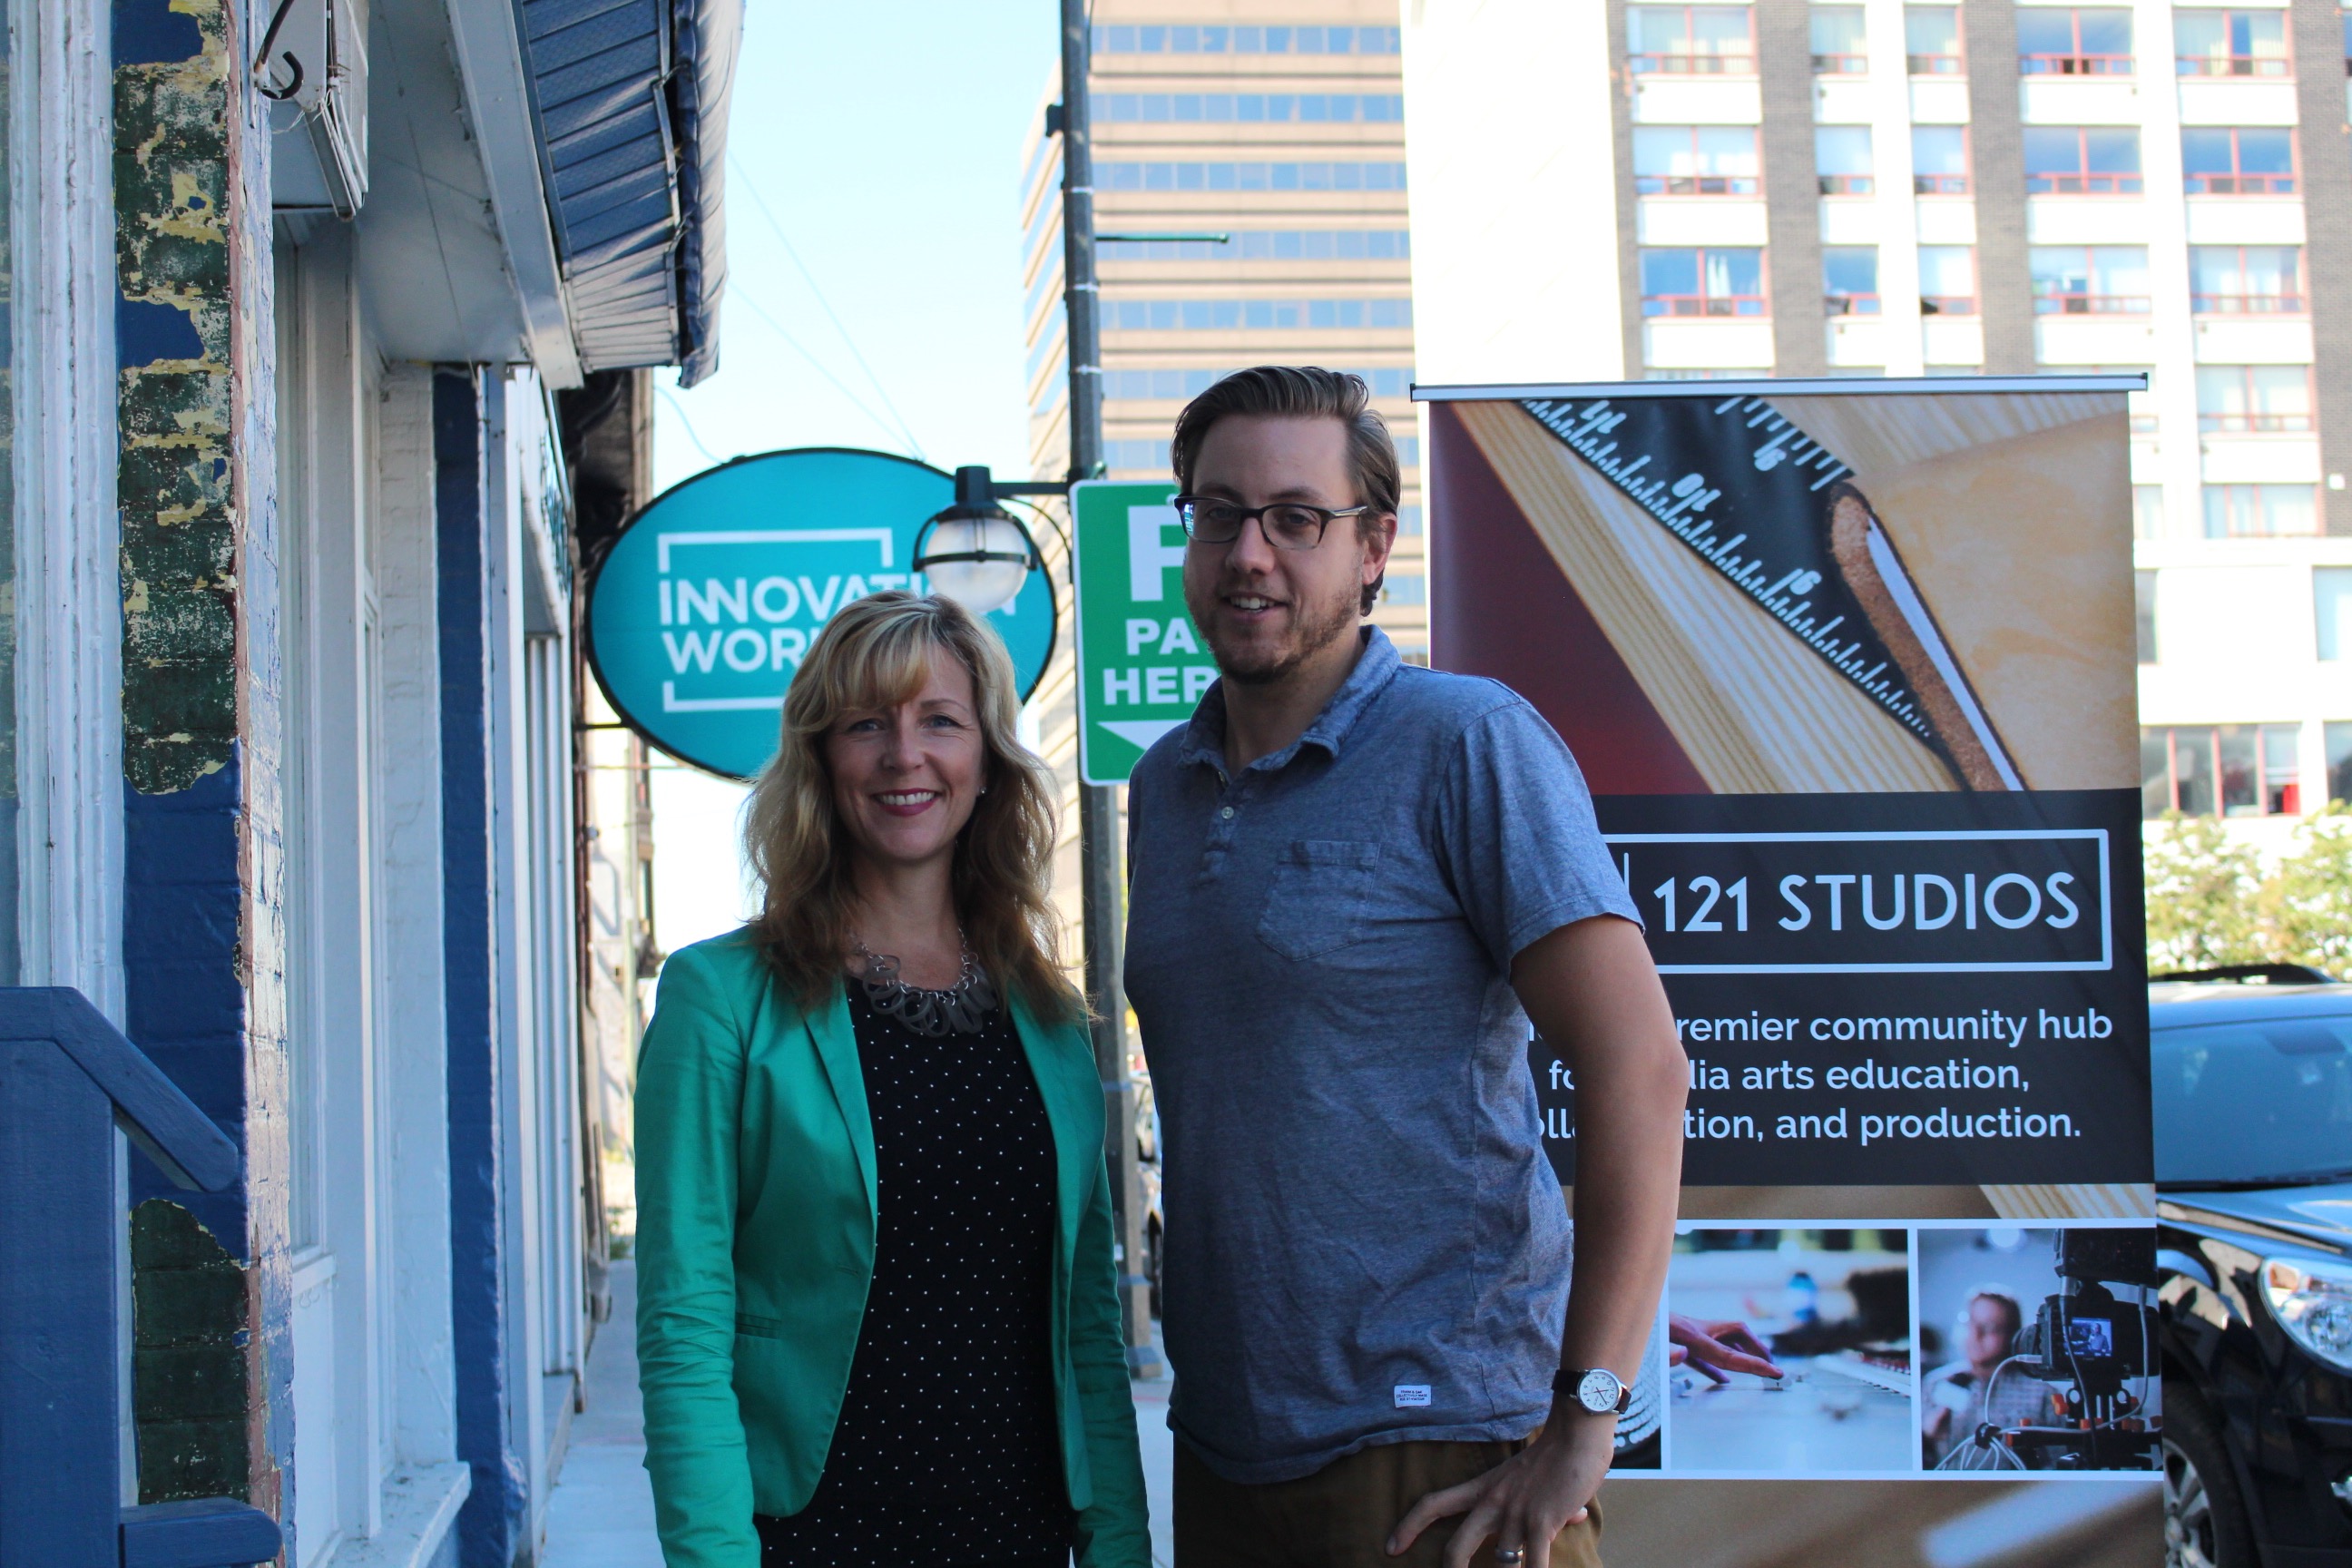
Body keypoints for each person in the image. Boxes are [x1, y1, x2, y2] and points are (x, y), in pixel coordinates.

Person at [1122, 367, 1690, 1568]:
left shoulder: (1467, 741)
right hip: (1225, 1451)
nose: (1249, 554)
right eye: (1219, 514)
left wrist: (1586, 1419)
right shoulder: (1163, 785)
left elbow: (1641, 1071)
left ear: (1374, 546)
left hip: (1446, 1457)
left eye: (1296, 518)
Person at [634, 591, 1150, 1568]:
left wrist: (1120, 1546)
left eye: (940, 721)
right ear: (821, 760)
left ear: (987, 762)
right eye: (866, 724)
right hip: (812, 1539)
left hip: (1019, 1535)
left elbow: (1087, 1323)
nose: (904, 754)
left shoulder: (1049, 1017)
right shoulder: (721, 999)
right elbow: (683, 1323)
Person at [1923, 1289, 2060, 1467]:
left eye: (1990, 1327)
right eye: (1970, 1322)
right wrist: (1926, 1436)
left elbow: (2057, 1461)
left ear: (2013, 1335)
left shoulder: (2043, 1394)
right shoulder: (1936, 1382)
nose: (1975, 1334)